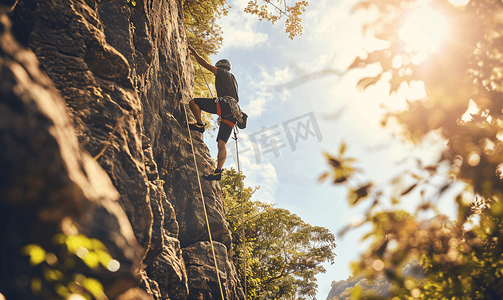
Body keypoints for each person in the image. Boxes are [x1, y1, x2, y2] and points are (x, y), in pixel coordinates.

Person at [188, 45, 243, 181]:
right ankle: (218, 172)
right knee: (221, 143)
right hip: (233, 113)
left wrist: (194, 53)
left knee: (193, 102)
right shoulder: (233, 80)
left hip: (224, 105)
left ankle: (200, 125)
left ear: (220, 67)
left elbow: (205, 64)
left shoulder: (222, 73)